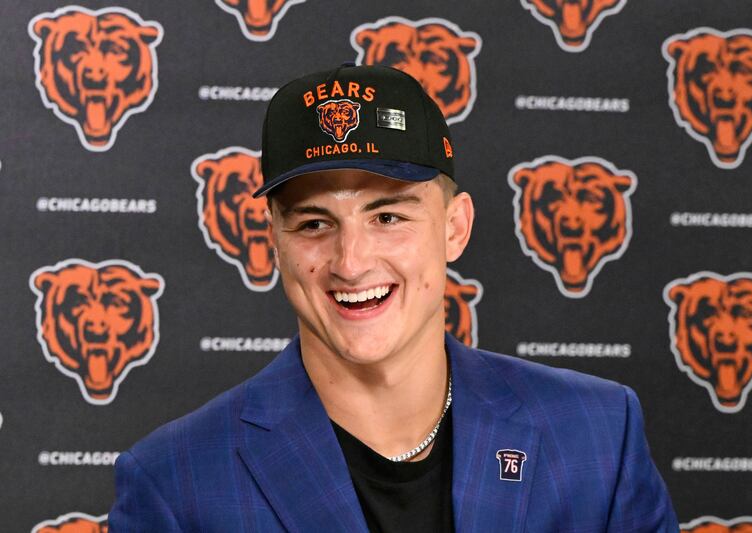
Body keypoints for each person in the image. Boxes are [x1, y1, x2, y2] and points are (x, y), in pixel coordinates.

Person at [109, 64, 678, 532]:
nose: (351, 262)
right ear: (274, 244)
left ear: (455, 228)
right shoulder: (173, 482)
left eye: (387, 216)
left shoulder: (598, 433)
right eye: (313, 223)